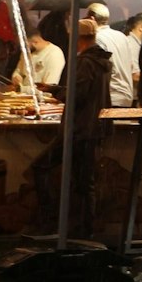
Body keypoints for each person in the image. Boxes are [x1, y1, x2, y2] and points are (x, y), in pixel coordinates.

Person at [34, 19, 114, 237]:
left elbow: (77, 95)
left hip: (78, 130)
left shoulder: (85, 62)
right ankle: (83, 230)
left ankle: (52, 220)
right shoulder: (100, 61)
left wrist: (59, 93)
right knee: (84, 182)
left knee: (41, 167)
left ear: (79, 38)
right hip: (91, 128)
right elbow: (83, 90)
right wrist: (55, 89)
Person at [87, 3, 138, 109]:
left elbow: (99, 70)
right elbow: (131, 66)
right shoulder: (122, 36)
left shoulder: (97, 38)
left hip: (110, 96)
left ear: (92, 18)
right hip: (127, 96)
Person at [13, 26, 65, 93]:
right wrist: (16, 77)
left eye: (24, 45)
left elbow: (48, 88)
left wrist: (22, 89)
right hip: (21, 97)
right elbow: (18, 71)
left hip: (41, 100)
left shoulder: (54, 54)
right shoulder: (26, 52)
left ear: (35, 42)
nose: (21, 48)